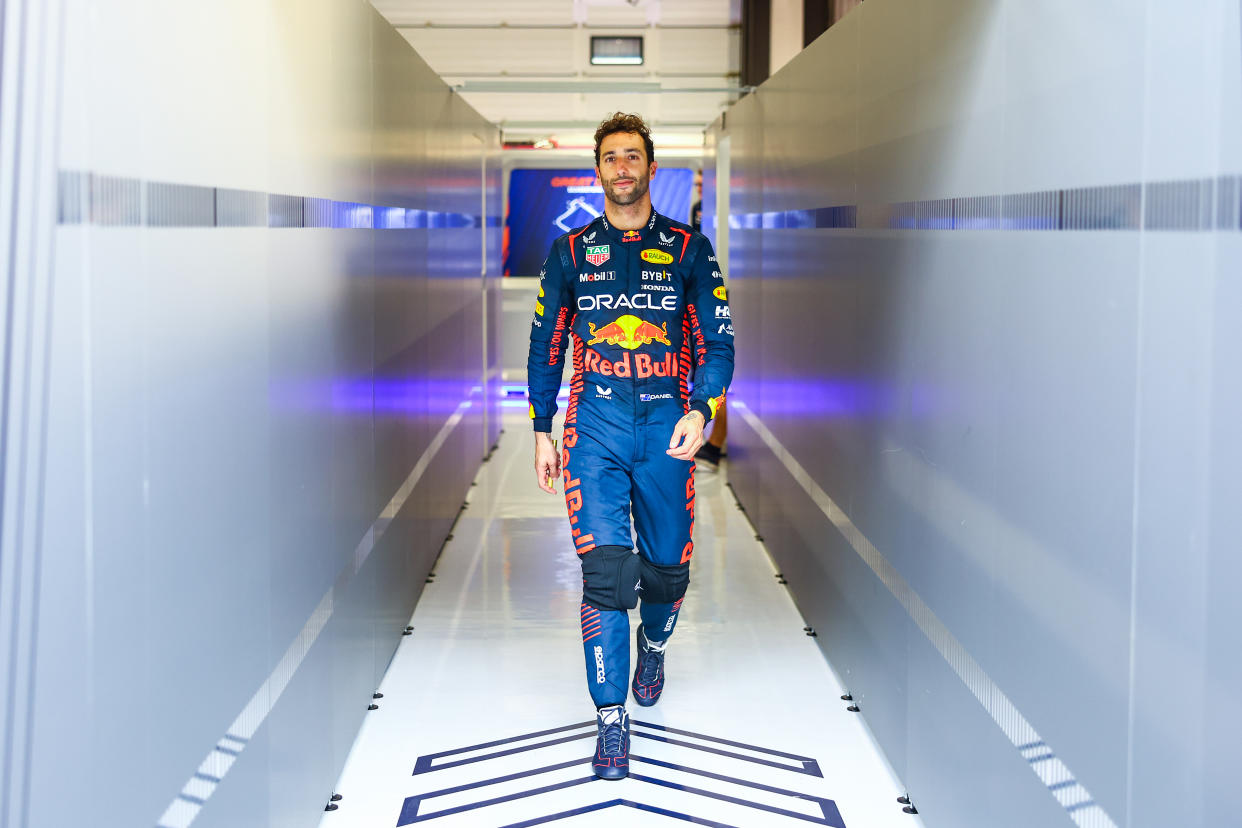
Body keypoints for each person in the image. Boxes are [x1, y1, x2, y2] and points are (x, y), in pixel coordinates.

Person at [527, 112, 734, 780]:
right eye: (611, 158)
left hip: (668, 428)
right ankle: (611, 718)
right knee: (609, 575)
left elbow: (717, 342)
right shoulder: (568, 254)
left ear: (650, 168)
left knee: (668, 572)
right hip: (597, 427)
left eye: (633, 157)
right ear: (598, 171)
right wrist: (541, 426)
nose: (622, 168)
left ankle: (654, 643)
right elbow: (545, 346)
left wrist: (702, 409)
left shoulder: (689, 249)